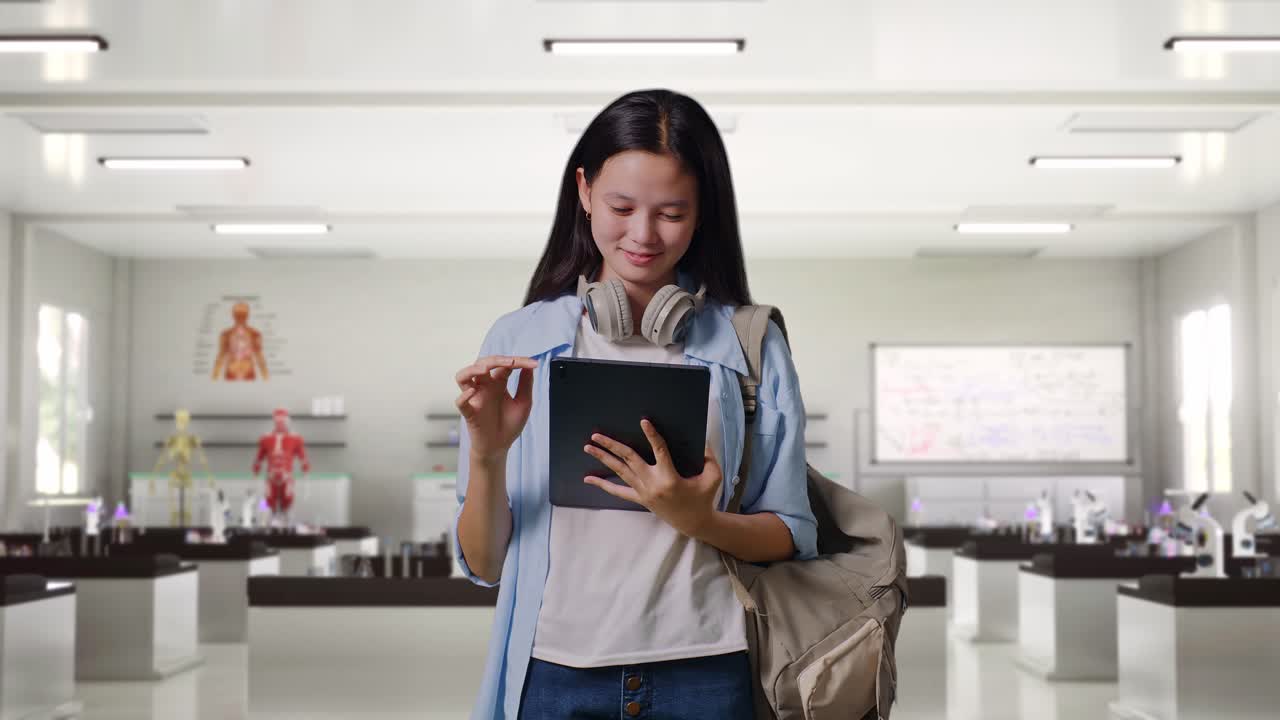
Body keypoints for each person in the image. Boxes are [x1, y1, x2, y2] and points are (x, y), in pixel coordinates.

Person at [452, 89, 817, 719]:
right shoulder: (519, 342)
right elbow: (485, 565)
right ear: (585, 191)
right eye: (621, 206)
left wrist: (696, 518)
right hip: (553, 671)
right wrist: (487, 456)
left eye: (672, 212)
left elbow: (790, 534)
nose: (643, 235)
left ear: (704, 213)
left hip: (708, 668)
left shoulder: (748, 345)